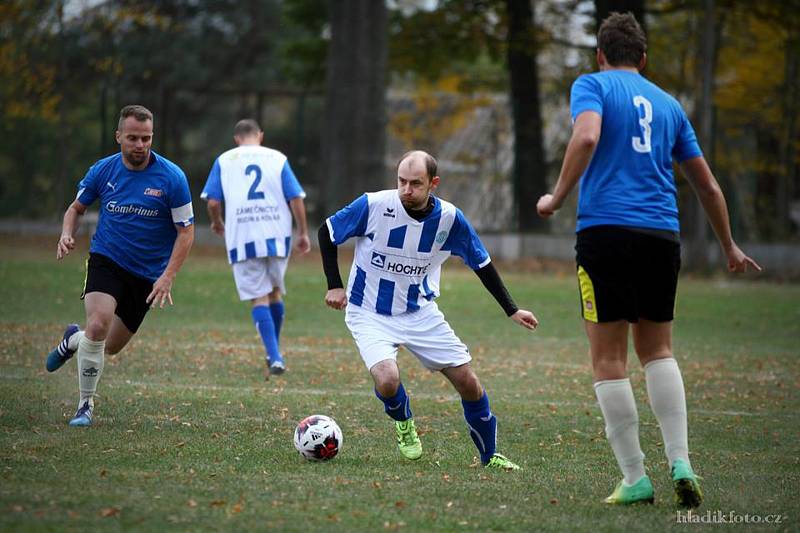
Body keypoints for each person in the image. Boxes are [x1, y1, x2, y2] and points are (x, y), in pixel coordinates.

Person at [536, 13, 761, 507]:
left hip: (605, 232)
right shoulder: (669, 105)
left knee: (608, 359)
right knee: (658, 351)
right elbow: (707, 183)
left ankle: (636, 477)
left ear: (600, 55)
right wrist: (729, 246)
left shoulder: (591, 85)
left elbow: (588, 136)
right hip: (662, 234)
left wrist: (556, 197)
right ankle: (681, 460)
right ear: (643, 58)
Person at [319, 150, 538, 470]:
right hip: (369, 311)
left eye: (415, 184)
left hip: (420, 311)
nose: (406, 190)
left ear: (433, 183)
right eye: (401, 182)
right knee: (387, 379)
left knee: (468, 381)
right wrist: (334, 284)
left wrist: (512, 309)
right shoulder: (374, 205)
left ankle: (490, 456)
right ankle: (403, 422)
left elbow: (482, 263)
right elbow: (327, 231)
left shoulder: (450, 219)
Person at [46, 104, 195, 427]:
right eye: (133, 138)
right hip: (107, 259)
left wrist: (167, 276)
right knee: (98, 324)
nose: (140, 145)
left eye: (146, 138)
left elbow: (186, 231)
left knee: (109, 345)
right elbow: (76, 208)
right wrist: (66, 234)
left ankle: (73, 340)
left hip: (147, 275)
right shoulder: (103, 170)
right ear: (118, 137)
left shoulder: (172, 177)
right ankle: (85, 405)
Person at [201, 119, 310, 377]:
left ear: (237, 139)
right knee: (274, 292)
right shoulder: (278, 158)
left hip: (243, 236)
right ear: (260, 136)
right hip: (276, 234)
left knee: (258, 297)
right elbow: (295, 197)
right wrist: (303, 231)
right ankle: (275, 351)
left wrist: (217, 222)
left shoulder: (225, 160)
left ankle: (274, 355)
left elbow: (214, 202)